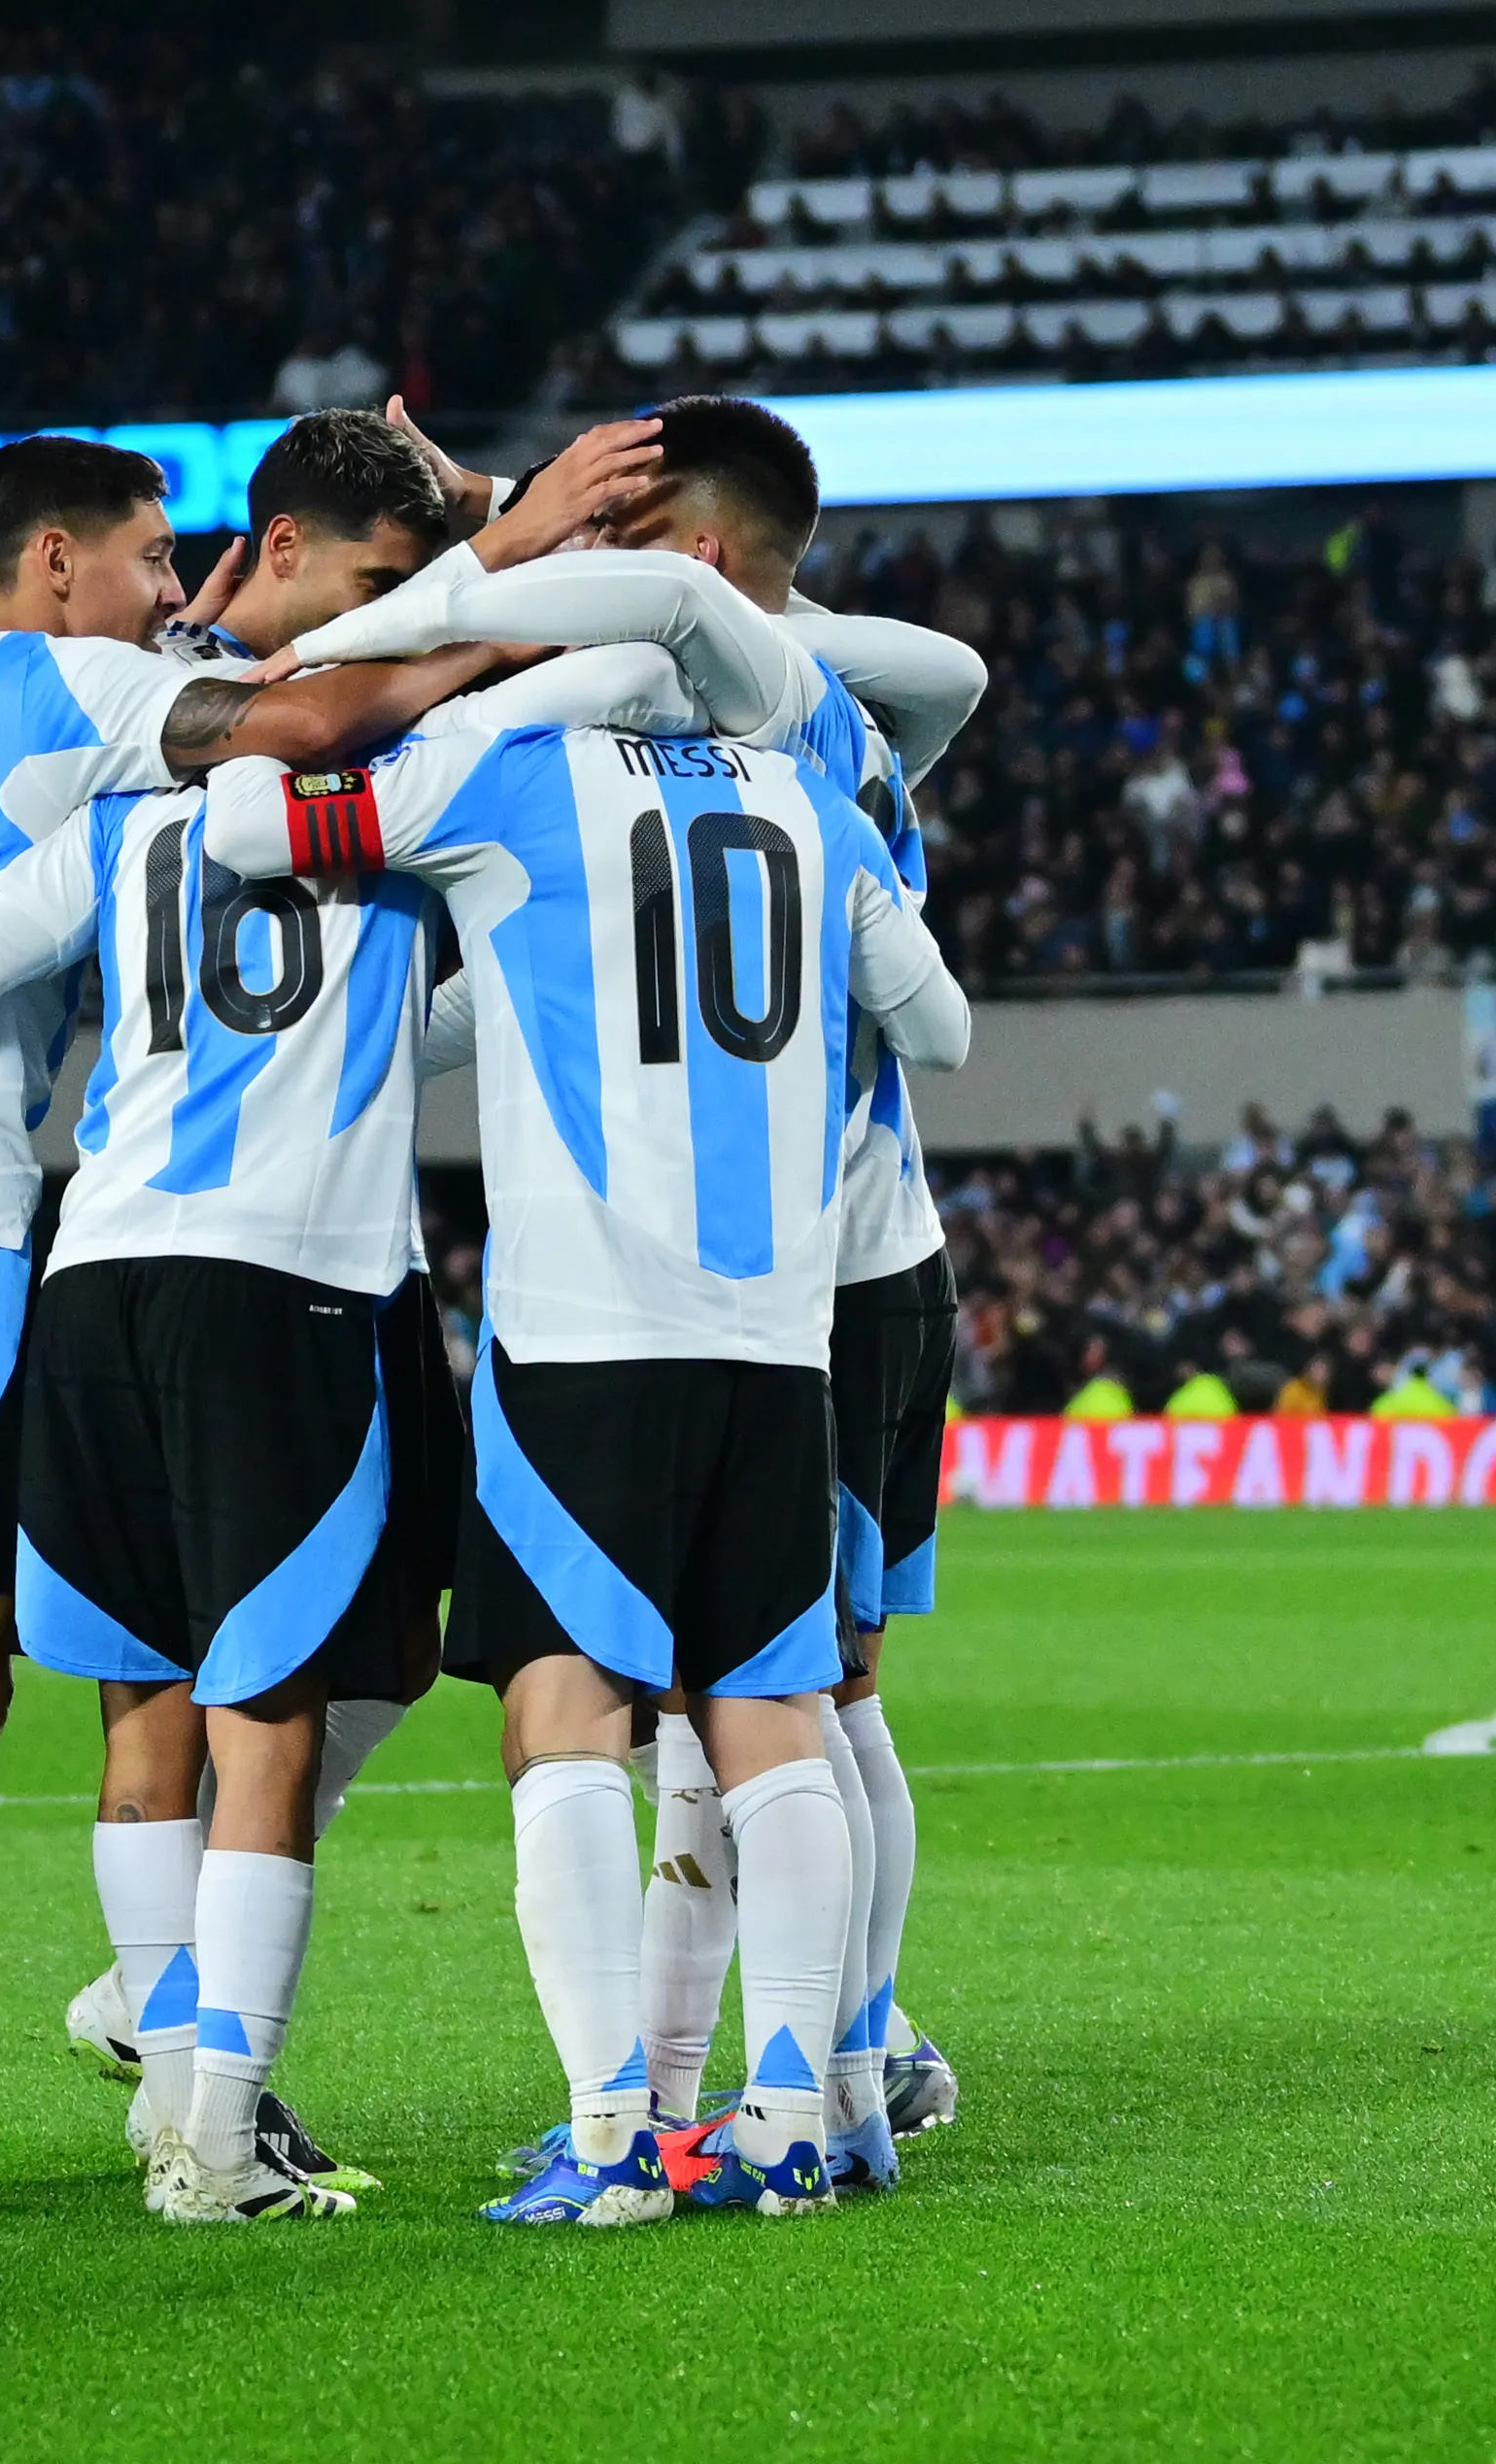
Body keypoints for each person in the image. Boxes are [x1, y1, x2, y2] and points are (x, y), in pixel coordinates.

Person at [0, 414, 681, 2224]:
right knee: (291, 1706)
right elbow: (617, 653)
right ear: (316, 563)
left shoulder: (128, 782)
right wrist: (504, 547)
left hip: (94, 1272)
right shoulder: (413, 749)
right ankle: (213, 2116)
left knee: (153, 1694)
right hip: (296, 1278)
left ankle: (156, 2042)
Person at [270, 396, 990, 2178]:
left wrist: (459, 578)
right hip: (816, 1284)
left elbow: (265, 807)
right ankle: (811, 2079)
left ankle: (627, 2113)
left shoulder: (524, 743)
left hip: (618, 1310)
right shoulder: (824, 757)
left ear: (675, 565)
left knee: (578, 1706)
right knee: (800, 1700)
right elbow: (947, 1009)